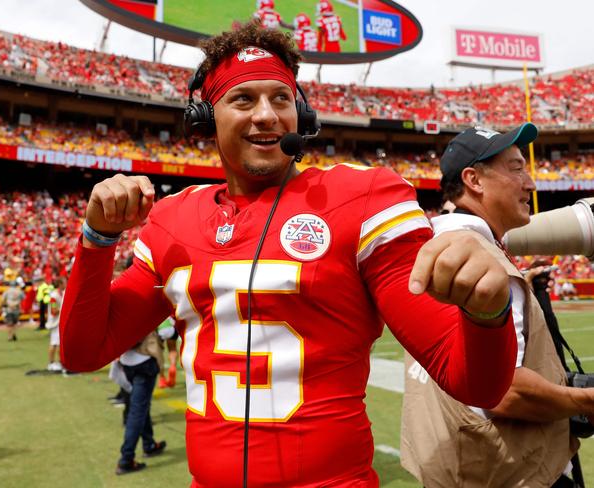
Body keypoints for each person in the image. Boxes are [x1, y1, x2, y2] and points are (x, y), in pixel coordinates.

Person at [61, 23, 517, 487]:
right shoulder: (172, 220)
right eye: (243, 99)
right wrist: (97, 238)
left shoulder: (361, 197)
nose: (267, 115)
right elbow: (83, 351)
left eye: (281, 98)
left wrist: (487, 313)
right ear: (205, 117)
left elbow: (474, 385)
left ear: (301, 111)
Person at [400, 124, 592, 488]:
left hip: (451, 466)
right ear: (474, 180)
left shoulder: (434, 243)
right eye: (516, 168)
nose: (531, 183)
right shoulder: (485, 265)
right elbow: (504, 391)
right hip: (510, 473)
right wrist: (584, 400)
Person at [115, 330, 167, 474]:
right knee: (137, 411)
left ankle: (149, 444)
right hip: (144, 359)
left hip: (126, 361)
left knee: (142, 405)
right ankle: (126, 459)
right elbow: (167, 329)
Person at [45, 277, 66, 372]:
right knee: (54, 343)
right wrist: (64, 310)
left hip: (60, 322)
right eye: (64, 282)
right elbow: (53, 311)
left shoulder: (63, 293)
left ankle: (58, 362)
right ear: (60, 284)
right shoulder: (53, 295)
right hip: (55, 323)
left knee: (58, 343)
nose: (66, 284)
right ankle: (51, 363)